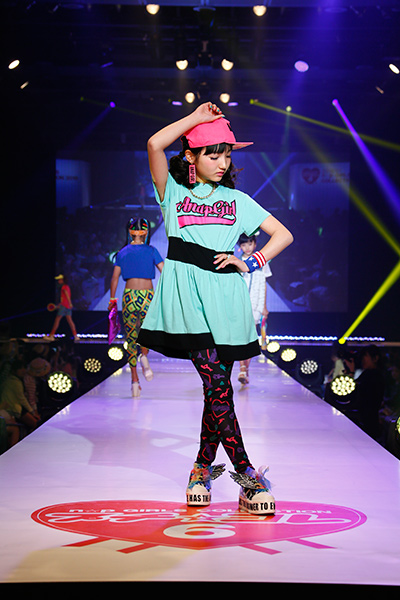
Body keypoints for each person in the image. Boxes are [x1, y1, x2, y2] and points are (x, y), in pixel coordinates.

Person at [138, 101, 293, 514]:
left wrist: (252, 261)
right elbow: (154, 144)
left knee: (216, 391)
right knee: (217, 386)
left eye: (226, 154)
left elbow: (283, 235)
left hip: (226, 298)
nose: (223, 163)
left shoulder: (238, 200)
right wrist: (196, 119)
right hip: (187, 298)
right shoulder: (173, 193)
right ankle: (246, 477)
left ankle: (200, 470)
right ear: (191, 157)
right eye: (213, 154)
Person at [109, 218, 164, 397]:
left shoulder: (122, 252)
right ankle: (144, 357)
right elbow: (164, 271)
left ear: (130, 232)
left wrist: (112, 299)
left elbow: (114, 278)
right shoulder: (152, 251)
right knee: (146, 331)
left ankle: (134, 381)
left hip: (129, 297)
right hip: (147, 296)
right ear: (146, 232)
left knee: (131, 336)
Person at [237, 233, 272, 385]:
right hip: (240, 304)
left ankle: (246, 369)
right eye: (244, 245)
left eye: (250, 244)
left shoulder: (261, 261)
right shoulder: (238, 262)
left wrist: (264, 306)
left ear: (255, 244)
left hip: (256, 303)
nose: (247, 247)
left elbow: (264, 283)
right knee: (240, 336)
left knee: (251, 338)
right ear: (240, 246)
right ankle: (242, 368)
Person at [0, 359, 41, 432]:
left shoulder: (13, 380)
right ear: (14, 370)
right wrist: (32, 412)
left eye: (24, 368)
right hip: (12, 408)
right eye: (20, 368)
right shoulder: (14, 382)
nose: (23, 370)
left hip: (13, 407)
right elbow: (22, 399)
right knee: (35, 423)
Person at [44, 274, 79, 342]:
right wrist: (62, 305)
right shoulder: (67, 286)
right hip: (67, 306)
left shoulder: (64, 287)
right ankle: (76, 336)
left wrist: (69, 303)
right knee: (70, 321)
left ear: (63, 280)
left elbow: (67, 296)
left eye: (59, 280)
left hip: (64, 306)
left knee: (57, 320)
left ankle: (51, 336)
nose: (58, 281)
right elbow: (65, 299)